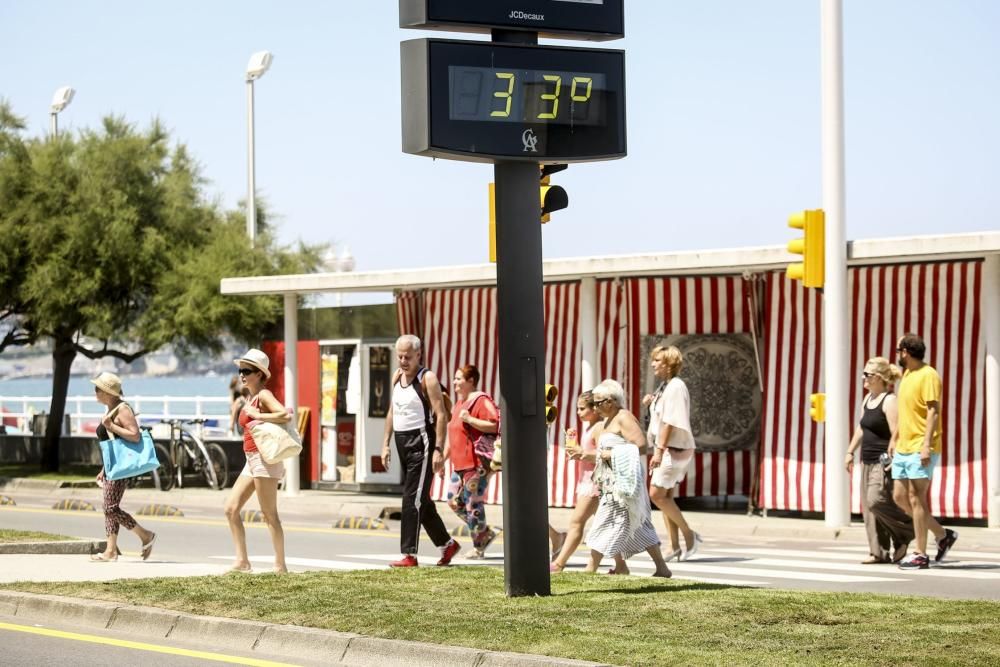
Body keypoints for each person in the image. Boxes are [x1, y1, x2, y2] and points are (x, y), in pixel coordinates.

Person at [381, 335, 460, 567]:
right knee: (420, 499)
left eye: (408, 356)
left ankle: (409, 554)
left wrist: (438, 449)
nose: (403, 361)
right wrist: (385, 443)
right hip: (401, 441)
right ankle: (447, 544)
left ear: (418, 355)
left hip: (422, 442)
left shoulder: (428, 378)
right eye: (400, 356)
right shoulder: (397, 377)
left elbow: (441, 415)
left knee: (410, 499)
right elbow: (391, 412)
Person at [584, 379, 672, 578]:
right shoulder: (606, 421)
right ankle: (660, 567)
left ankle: (591, 568)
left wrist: (612, 453)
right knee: (635, 523)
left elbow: (641, 446)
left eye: (598, 402)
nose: (595, 407)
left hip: (625, 481)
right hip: (611, 482)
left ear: (611, 401)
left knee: (605, 522)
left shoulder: (623, 417)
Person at [890, 333, 958, 570]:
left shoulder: (929, 375)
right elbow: (906, 410)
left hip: (921, 445)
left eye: (899, 350)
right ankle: (942, 534)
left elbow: (933, 411)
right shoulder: (907, 375)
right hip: (903, 446)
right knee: (899, 496)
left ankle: (920, 553)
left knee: (916, 498)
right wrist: (894, 437)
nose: (897, 354)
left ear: (906, 352)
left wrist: (926, 444)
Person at [223, 349, 289, 573]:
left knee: (269, 515)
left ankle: (280, 566)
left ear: (260, 374)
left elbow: (285, 415)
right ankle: (242, 561)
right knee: (231, 509)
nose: (242, 374)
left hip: (264, 459)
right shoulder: (249, 397)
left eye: (247, 370)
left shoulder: (263, 396)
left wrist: (259, 415)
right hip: (250, 460)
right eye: (241, 370)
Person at [845, 357, 913, 564]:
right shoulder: (868, 399)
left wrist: (895, 458)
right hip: (867, 460)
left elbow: (897, 432)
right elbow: (861, 428)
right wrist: (850, 451)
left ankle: (906, 532)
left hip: (883, 460)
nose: (863, 378)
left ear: (878, 377)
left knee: (876, 501)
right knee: (869, 508)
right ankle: (879, 552)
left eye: (867, 374)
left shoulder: (889, 400)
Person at [89, 372, 157, 562]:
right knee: (109, 507)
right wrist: (104, 468)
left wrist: (111, 426)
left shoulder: (122, 409)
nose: (95, 392)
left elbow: (134, 435)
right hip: (112, 465)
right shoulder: (111, 409)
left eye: (98, 389)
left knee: (110, 508)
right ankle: (111, 551)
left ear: (109, 392)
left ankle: (145, 535)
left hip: (121, 466)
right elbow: (111, 442)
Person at [644, 346, 702, 562]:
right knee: (666, 496)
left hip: (672, 449)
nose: (653, 364)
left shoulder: (675, 386)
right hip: (671, 448)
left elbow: (669, 421)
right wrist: (651, 402)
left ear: (668, 363)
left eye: (657, 360)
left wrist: (658, 451)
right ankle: (674, 546)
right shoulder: (666, 386)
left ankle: (689, 535)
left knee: (656, 494)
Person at [445, 364, 500, 559]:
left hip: (477, 463)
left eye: (459, 379)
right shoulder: (458, 404)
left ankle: (479, 547)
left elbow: (494, 425)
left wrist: (470, 420)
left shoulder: (480, 400)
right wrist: (441, 458)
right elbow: (453, 435)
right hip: (459, 464)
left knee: (472, 504)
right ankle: (484, 533)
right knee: (453, 501)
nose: (455, 382)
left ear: (471, 381)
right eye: (455, 378)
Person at [550, 390, 603, 573]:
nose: (578, 413)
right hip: (588, 481)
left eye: (582, 409)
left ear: (595, 409)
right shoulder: (589, 427)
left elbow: (604, 455)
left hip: (595, 483)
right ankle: (620, 565)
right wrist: (577, 451)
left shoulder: (599, 427)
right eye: (577, 409)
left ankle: (559, 563)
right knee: (604, 525)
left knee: (576, 522)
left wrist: (582, 453)